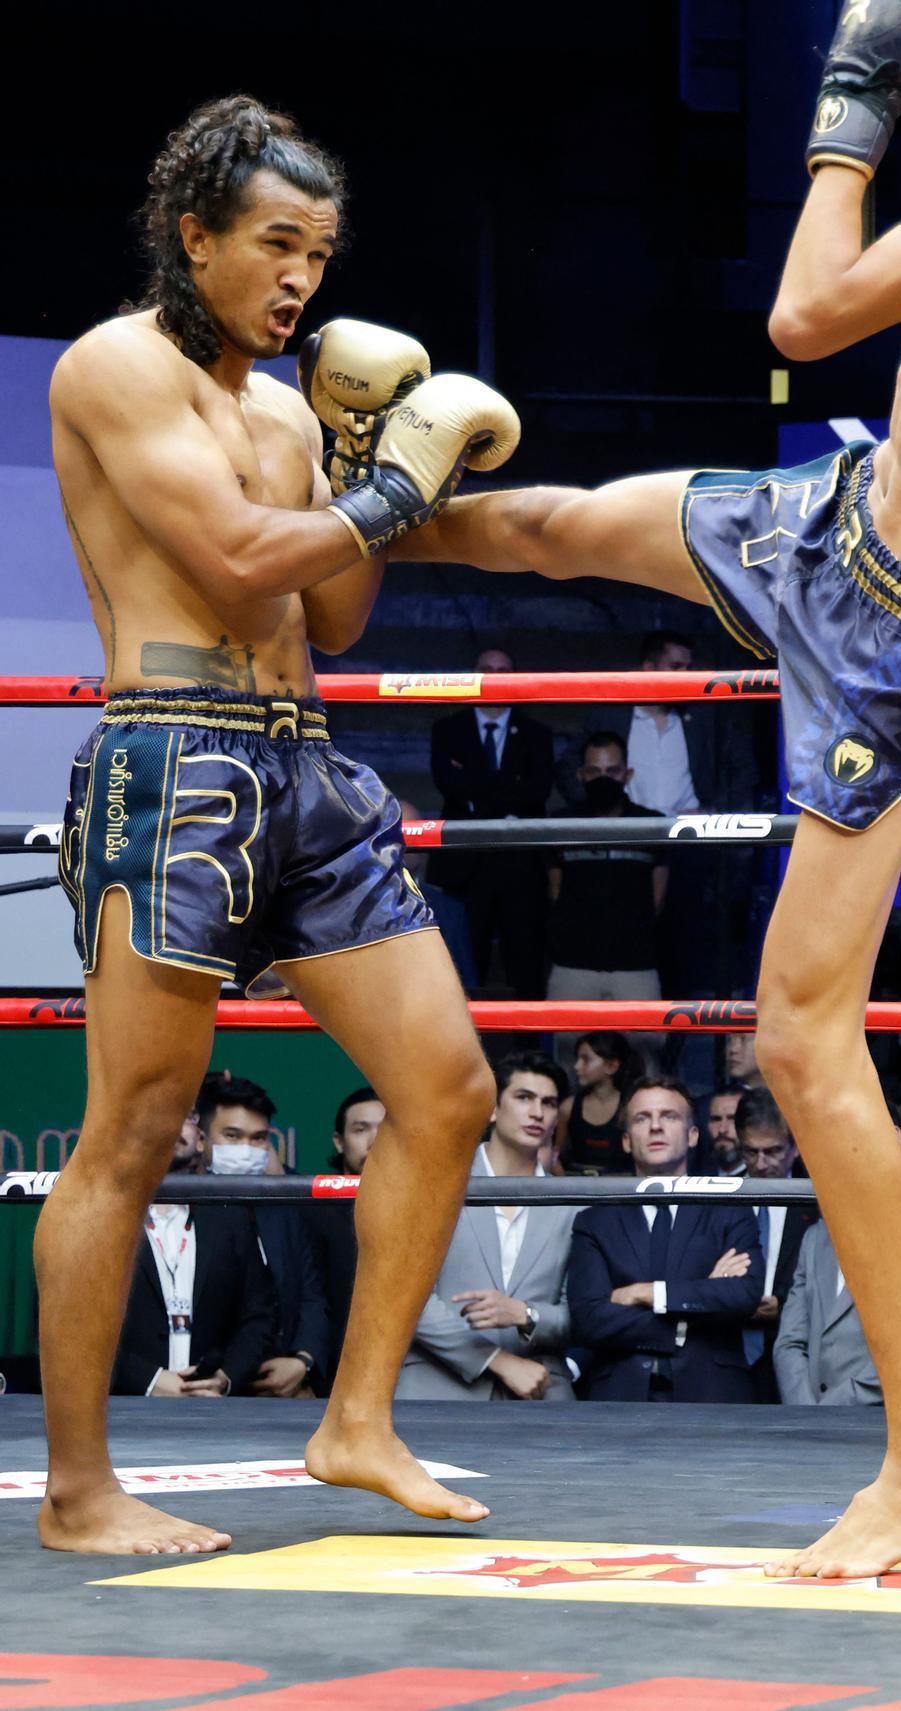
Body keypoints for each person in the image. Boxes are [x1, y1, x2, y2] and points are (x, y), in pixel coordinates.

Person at [390, 0, 901, 1571]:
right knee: (559, 523)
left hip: (894, 647)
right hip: (826, 525)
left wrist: (844, 107)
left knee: (800, 1037)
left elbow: (802, 317)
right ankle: (343, 522)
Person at [38, 94, 519, 1553]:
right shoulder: (114, 367)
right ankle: (79, 1490)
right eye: (275, 243)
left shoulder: (284, 407)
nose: (302, 276)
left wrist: (366, 450)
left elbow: (334, 606)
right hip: (172, 763)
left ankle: (357, 1415)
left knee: (450, 1092)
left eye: (320, 250)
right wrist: (388, 479)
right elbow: (236, 554)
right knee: (132, 1126)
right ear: (196, 235)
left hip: (309, 768)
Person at [567, 1076, 764, 1403]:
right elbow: (589, 1318)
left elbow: (743, 1294)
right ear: (627, 1141)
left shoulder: (728, 1206)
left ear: (692, 1136)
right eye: (642, 1118)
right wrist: (688, 1315)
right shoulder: (595, 1221)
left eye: (669, 1116)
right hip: (619, 1398)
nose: (655, 1127)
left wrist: (647, 1293)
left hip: (713, 1396)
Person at [395, 1052, 576, 1401]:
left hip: (539, 1388)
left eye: (549, 1103)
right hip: (438, 1384)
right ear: (492, 1109)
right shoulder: (435, 1182)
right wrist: (496, 1360)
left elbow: (583, 1314)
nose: (537, 1112)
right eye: (524, 1098)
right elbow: (404, 1296)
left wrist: (527, 1314)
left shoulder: (573, 1203)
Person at [775, 1131, 901, 1407]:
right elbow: (789, 1342)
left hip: (889, 1427)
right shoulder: (816, 1237)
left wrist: (823, 1412)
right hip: (808, 1426)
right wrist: (804, 1410)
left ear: (893, 1141)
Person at [426, 648, 555, 998]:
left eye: (503, 670)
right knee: (463, 965)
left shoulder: (537, 734)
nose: (494, 676)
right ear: (474, 674)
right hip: (464, 867)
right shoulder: (448, 729)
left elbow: (538, 791)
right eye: (486, 669)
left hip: (520, 864)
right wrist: (507, 789)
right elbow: (447, 784)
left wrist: (474, 785)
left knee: (525, 963)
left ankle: (530, 1053)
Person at [195, 1075, 330, 1399]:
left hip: (285, 1391)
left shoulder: (283, 1203)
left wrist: (304, 1360)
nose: (246, 1149)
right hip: (208, 1391)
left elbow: (313, 1293)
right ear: (202, 1139)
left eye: (258, 1138)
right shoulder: (180, 1204)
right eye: (232, 1135)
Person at [112, 1195, 276, 1399]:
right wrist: (148, 1380)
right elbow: (77, 1327)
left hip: (214, 1409)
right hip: (125, 1409)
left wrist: (226, 1377)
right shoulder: (103, 1215)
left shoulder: (229, 1214)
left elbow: (259, 1315)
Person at [546, 733, 668, 1004]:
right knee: (568, 1045)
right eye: (594, 771)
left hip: (636, 966)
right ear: (581, 775)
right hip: (573, 966)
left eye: (612, 770)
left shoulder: (652, 825)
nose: (604, 779)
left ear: (627, 774)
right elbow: (555, 892)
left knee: (644, 1044)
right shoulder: (559, 825)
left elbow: (657, 898)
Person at [734, 1087, 819, 1401]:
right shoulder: (719, 1202)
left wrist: (784, 1306)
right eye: (750, 1152)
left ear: (795, 1147)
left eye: (773, 1151)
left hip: (799, 1356)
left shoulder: (818, 1206)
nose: (761, 1163)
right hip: (731, 1352)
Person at [305, 1087, 385, 1390]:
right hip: (323, 1378)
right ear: (339, 1141)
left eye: (385, 1128)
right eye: (361, 1129)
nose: (375, 1139)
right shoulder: (309, 1210)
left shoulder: (420, 1209)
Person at [555, 1032, 644, 1176]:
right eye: (577, 1059)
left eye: (586, 1060)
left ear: (611, 1066)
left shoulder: (632, 1106)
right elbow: (554, 1156)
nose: (576, 1066)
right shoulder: (568, 1108)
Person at [705, 1082, 748, 1175]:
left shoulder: (764, 1183)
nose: (722, 1130)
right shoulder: (695, 1180)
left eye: (732, 1119)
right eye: (716, 1119)